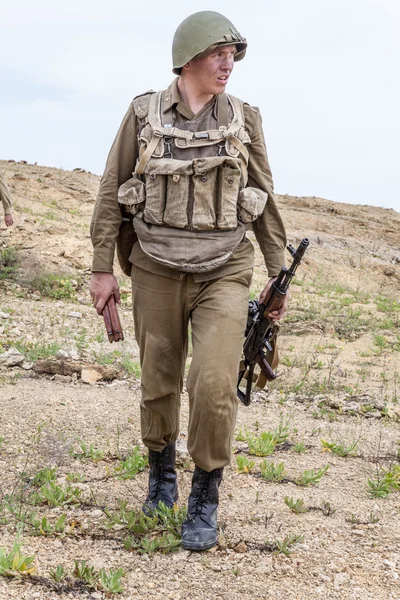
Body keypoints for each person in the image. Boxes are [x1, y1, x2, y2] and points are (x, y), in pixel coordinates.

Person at [90, 10, 289, 551]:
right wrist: (102, 268)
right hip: (154, 263)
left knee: (214, 382)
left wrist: (277, 276)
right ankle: (161, 473)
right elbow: (112, 190)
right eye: (217, 54)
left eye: (233, 55)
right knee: (159, 380)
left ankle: (205, 489)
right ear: (188, 58)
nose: (227, 64)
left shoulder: (245, 119)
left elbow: (265, 196)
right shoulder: (142, 114)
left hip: (225, 266)